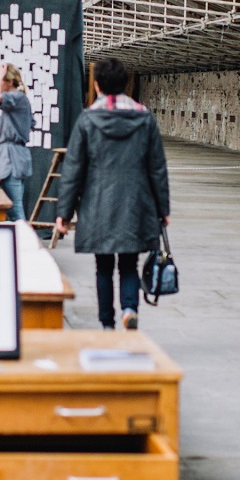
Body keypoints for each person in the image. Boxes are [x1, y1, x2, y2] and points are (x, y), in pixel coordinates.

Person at [53, 57, 170, 330]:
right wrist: (162, 208)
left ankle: (107, 323)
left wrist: (64, 213)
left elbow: (74, 170)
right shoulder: (145, 117)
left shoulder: (87, 119)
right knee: (129, 264)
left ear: (97, 85)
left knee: (103, 267)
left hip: (98, 205)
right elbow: (157, 167)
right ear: (126, 84)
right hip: (136, 205)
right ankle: (129, 309)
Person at [0, 63, 34, 222]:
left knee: (14, 208)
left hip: (11, 159)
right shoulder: (18, 100)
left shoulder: (18, 97)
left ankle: (25, 244)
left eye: (2, 80)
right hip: (10, 157)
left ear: (8, 81)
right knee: (10, 209)